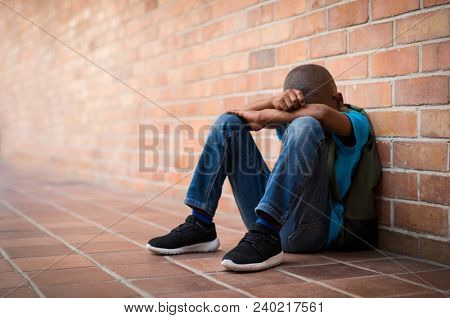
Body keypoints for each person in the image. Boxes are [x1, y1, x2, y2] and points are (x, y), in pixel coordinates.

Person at [146, 64, 370, 272]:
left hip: (310, 231)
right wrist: (274, 101)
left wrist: (265, 116)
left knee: (306, 124)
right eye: (295, 111)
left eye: (301, 110)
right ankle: (201, 223)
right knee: (228, 123)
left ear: (338, 100)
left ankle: (267, 234)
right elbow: (236, 114)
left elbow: (320, 113)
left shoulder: (354, 121)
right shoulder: (291, 118)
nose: (294, 117)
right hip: (263, 224)